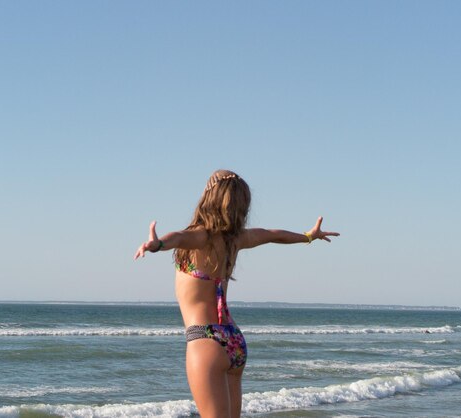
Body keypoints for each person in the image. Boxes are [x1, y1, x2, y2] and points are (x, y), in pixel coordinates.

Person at [134, 169, 339, 418]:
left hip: (205, 339)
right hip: (233, 341)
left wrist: (158, 245)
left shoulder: (201, 236)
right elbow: (273, 235)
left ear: (208, 196)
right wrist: (307, 237)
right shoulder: (237, 239)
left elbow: (178, 238)